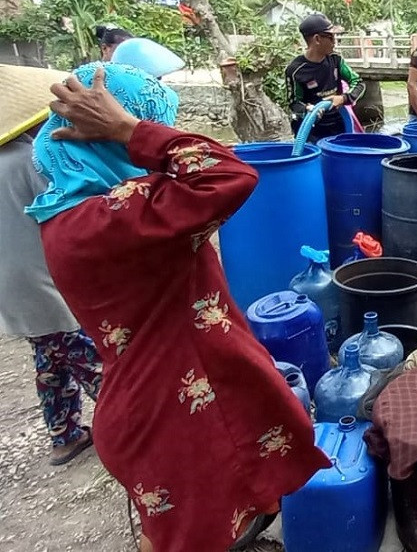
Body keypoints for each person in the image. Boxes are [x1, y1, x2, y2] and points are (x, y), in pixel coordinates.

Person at [29, 63, 330, 552]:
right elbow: (230, 174)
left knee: (189, 528)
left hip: (168, 401)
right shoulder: (119, 215)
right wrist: (131, 129)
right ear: (98, 133)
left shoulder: (72, 214)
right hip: (179, 420)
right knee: (194, 535)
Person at [1, 69, 102, 465]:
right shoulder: (30, 159)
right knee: (90, 359)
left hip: (12, 284)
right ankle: (137, 429)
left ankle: (65, 435)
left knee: (48, 357)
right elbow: (64, 210)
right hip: (42, 279)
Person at [284, 13, 363, 140]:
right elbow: (294, 103)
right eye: (331, 37)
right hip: (311, 129)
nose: (335, 42)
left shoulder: (335, 60)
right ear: (317, 39)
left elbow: (358, 82)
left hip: (337, 123)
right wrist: (307, 109)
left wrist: (343, 98)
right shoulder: (295, 70)